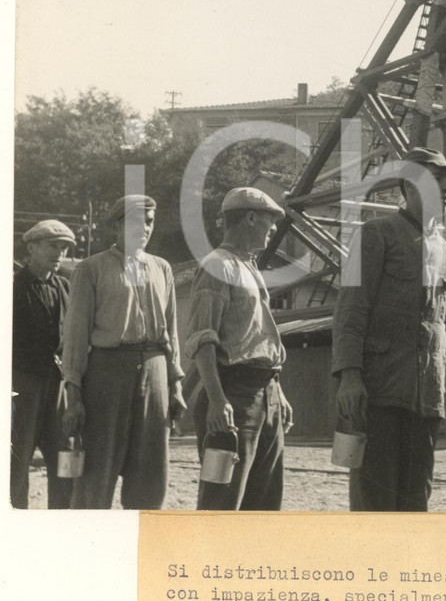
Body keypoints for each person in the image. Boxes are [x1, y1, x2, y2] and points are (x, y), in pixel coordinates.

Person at [332, 148, 446, 511]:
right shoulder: (376, 235)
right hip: (379, 396)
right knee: (375, 504)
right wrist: (349, 377)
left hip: (427, 400)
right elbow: (351, 313)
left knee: (415, 503)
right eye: (435, 180)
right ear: (408, 187)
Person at [61, 195, 186, 509]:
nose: (143, 228)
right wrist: (73, 395)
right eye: (135, 221)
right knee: (96, 472)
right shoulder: (92, 269)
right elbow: (75, 336)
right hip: (107, 374)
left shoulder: (163, 269)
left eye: (149, 221)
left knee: (151, 474)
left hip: (156, 373)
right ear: (116, 226)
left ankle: (139, 544)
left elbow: (171, 332)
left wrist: (176, 384)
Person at [187, 187, 293, 511]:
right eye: (269, 219)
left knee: (263, 506)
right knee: (222, 504)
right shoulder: (219, 265)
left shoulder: (248, 266)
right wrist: (217, 400)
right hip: (233, 397)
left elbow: (257, 338)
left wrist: (276, 392)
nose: (273, 227)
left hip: (265, 395)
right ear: (249, 217)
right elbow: (203, 338)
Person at [11, 220, 76, 509]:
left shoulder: (64, 285)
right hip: (21, 384)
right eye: (52, 246)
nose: (59, 253)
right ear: (31, 247)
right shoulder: (13, 286)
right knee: (17, 459)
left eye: (63, 248)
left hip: (57, 385)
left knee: (64, 458)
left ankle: (60, 523)